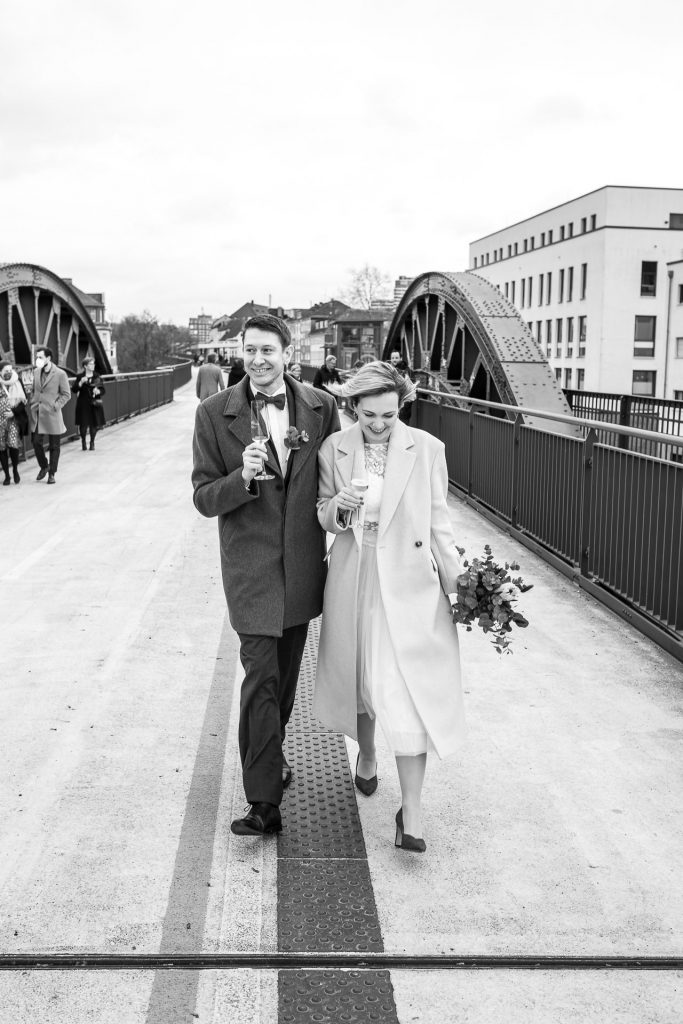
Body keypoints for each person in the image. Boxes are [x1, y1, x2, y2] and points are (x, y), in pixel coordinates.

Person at [192, 313, 340, 837]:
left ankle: (268, 758)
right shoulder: (214, 414)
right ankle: (263, 803)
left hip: (301, 569)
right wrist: (243, 478)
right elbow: (204, 498)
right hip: (250, 571)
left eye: (267, 351)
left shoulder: (322, 408)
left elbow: (336, 479)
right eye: (250, 351)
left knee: (282, 685)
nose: (257, 360)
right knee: (259, 680)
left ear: (286, 352)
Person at [314, 361, 466, 853]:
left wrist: (458, 584)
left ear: (401, 405)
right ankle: (367, 753)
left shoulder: (426, 449)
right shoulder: (332, 449)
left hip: (408, 582)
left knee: (404, 690)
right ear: (352, 408)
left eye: (388, 414)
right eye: (368, 415)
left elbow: (439, 522)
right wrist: (340, 503)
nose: (379, 424)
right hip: (354, 577)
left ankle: (413, 813)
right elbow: (325, 519)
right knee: (363, 678)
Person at [29, 347, 71, 485]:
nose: (38, 360)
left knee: (54, 446)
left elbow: (66, 394)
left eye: (40, 357)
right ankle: (44, 466)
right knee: (36, 442)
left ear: (48, 358)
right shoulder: (35, 372)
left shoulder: (60, 374)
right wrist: (32, 402)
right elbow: (34, 390)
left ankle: (52, 473)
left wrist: (56, 406)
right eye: (37, 357)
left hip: (52, 414)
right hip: (37, 413)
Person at [0, 360, 28, 485]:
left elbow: (24, 402)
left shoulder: (17, 381)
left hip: (13, 420)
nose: (9, 372)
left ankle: (15, 470)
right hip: (0, 422)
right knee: (1, 448)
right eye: (6, 370)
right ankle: (6, 475)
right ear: (0, 372)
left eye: (11, 370)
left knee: (13, 445)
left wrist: (14, 412)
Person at [72, 356, 106, 450]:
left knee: (94, 424)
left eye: (93, 363)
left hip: (94, 403)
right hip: (83, 403)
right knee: (83, 424)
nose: (93, 365)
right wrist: (80, 383)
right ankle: (83, 441)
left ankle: (92, 442)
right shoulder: (80, 376)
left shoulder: (97, 376)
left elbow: (103, 390)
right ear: (85, 366)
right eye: (91, 364)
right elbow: (74, 390)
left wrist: (98, 391)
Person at [387, 349, 414, 423]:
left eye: (396, 358)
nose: (394, 360)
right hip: (390, 405)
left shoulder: (408, 371)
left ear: (401, 358)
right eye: (392, 358)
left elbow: (412, 387)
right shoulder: (388, 370)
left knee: (402, 427)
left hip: (403, 407)